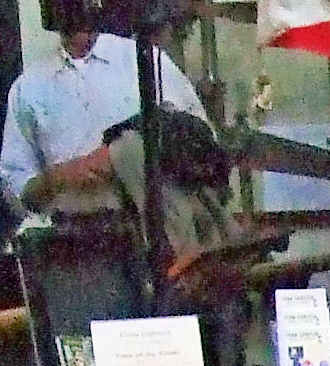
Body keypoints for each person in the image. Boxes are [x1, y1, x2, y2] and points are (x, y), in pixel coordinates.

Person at [0, 27, 206, 221]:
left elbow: (201, 140)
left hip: (154, 227)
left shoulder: (142, 59)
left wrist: (124, 154)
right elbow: (15, 187)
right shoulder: (28, 88)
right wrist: (55, 179)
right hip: (75, 238)